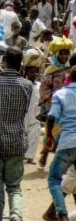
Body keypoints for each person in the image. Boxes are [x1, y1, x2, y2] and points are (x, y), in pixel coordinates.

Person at [0, 47, 33, 221]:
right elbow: (23, 113)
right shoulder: (28, 85)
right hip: (17, 143)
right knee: (14, 187)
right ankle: (16, 215)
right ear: (20, 64)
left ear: (3, 61)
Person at [46, 66, 76, 221]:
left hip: (68, 143)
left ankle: (61, 214)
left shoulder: (61, 94)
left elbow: (52, 116)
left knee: (53, 179)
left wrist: (49, 138)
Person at [39, 37, 74, 168]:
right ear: (56, 54)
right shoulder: (50, 70)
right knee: (51, 132)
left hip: (68, 106)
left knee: (63, 133)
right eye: (61, 53)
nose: (64, 56)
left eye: (66, 53)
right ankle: (45, 154)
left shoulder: (71, 69)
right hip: (54, 106)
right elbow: (44, 87)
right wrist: (49, 101)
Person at [22, 48, 44, 164]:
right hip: (24, 114)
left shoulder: (39, 85)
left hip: (35, 114)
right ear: (25, 71)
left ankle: (30, 157)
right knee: (23, 134)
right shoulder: (22, 84)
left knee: (34, 135)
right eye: (31, 71)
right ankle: (22, 154)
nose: (33, 73)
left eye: (35, 71)